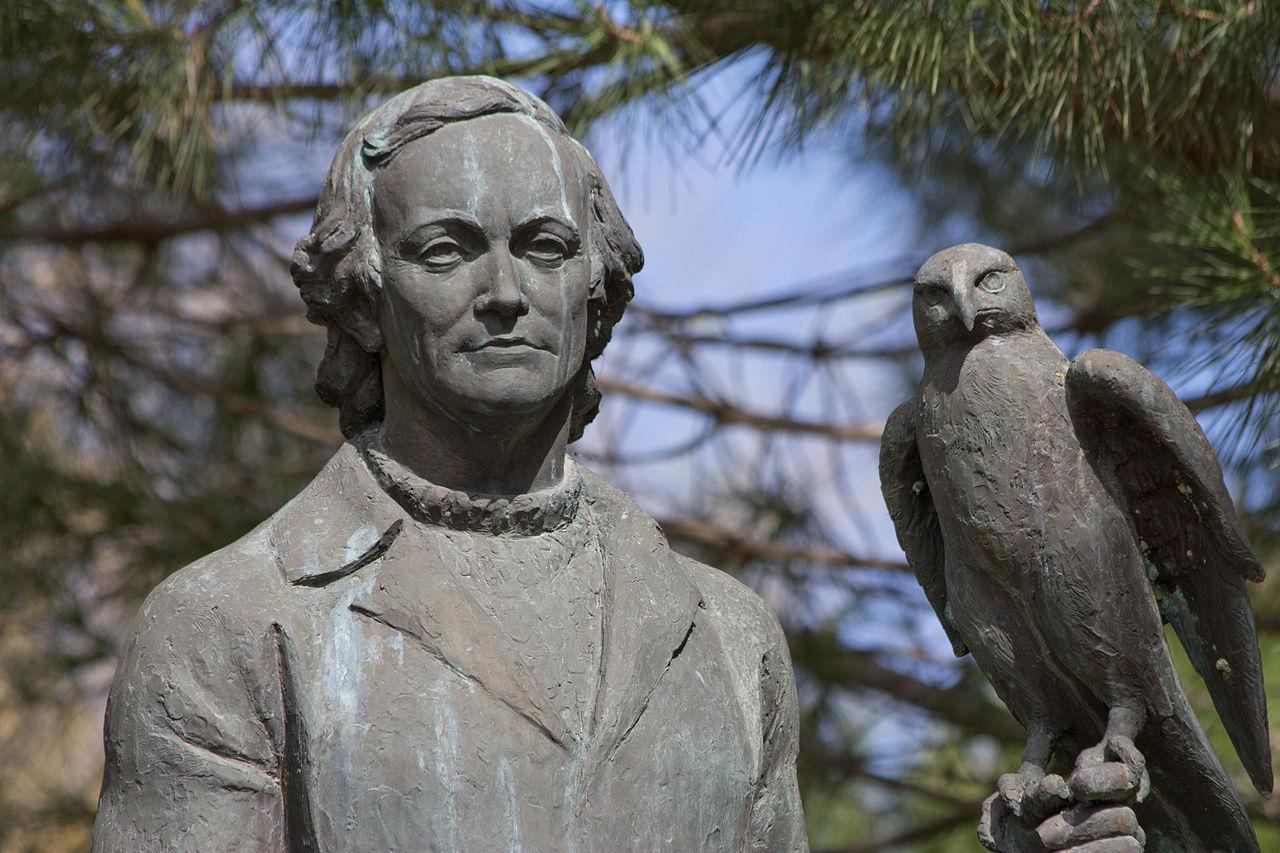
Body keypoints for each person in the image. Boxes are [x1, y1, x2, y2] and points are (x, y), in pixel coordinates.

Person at [92, 76, 807, 853]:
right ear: (365, 299)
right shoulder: (226, 625)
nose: (505, 292)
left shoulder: (734, 641)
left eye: (545, 248)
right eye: (445, 251)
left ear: (594, 289)